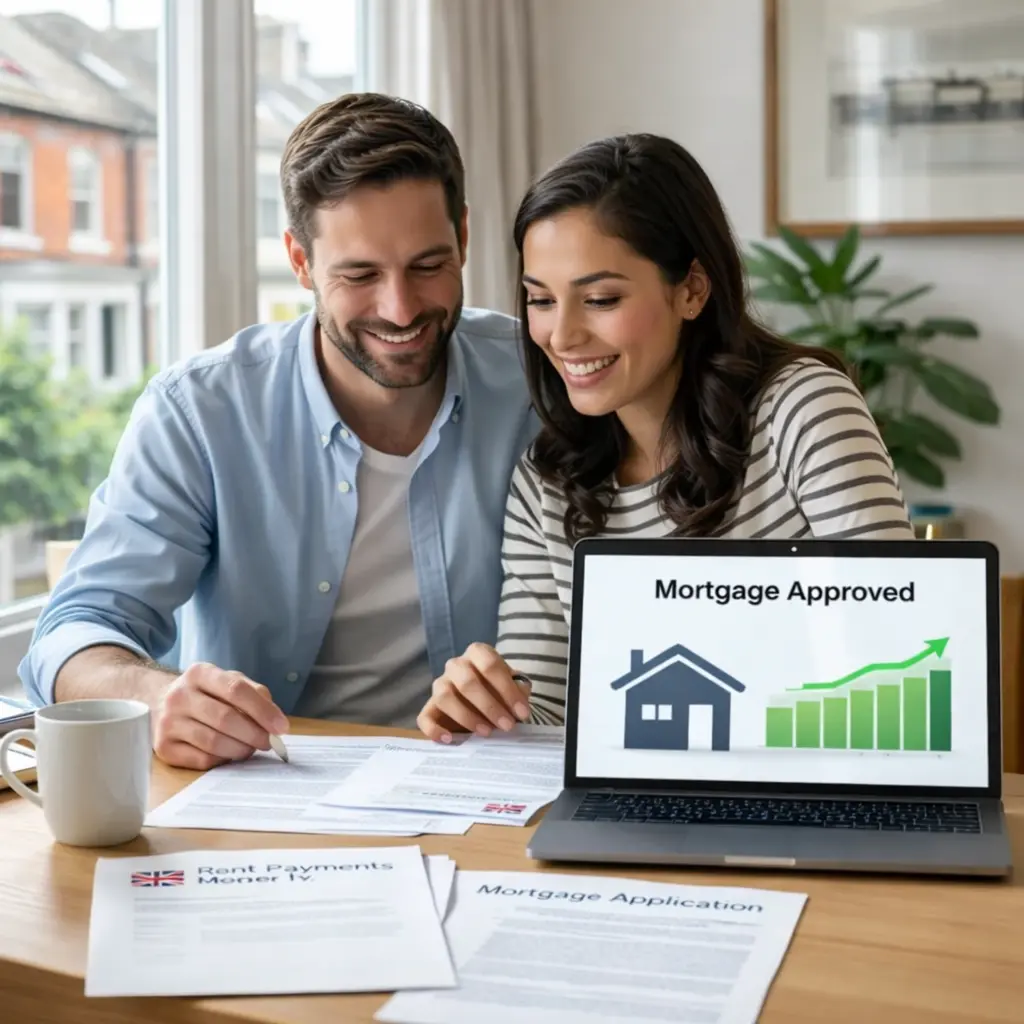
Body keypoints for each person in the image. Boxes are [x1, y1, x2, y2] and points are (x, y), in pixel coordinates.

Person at [19, 93, 538, 769]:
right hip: (265, 793)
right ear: (300, 262)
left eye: (428, 265)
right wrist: (154, 695)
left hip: (484, 783)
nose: (401, 307)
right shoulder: (200, 411)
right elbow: (69, 634)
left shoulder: (537, 382)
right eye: (359, 275)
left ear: (464, 238)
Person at [415, 132, 916, 742]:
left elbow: (898, 653)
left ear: (692, 289)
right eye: (541, 299)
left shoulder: (804, 409)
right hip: (640, 808)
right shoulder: (546, 482)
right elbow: (544, 719)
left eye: (600, 298)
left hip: (815, 784)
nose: (562, 335)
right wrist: (484, 711)